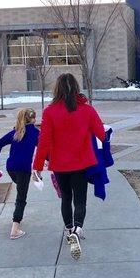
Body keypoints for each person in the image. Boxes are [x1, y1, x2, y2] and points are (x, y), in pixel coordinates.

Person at [33, 73, 105, 260]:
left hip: (60, 165)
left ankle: (68, 229)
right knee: (80, 199)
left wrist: (37, 166)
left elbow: (44, 141)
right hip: (82, 163)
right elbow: (102, 134)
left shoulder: (49, 112)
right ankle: (77, 228)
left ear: (57, 89)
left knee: (66, 197)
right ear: (76, 87)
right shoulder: (87, 110)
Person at [0, 108, 39, 240]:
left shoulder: (15, 132)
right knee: (21, 197)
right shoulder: (35, 133)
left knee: (20, 190)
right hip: (23, 169)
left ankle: (17, 216)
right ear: (33, 118)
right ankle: (15, 229)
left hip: (10, 168)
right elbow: (44, 150)